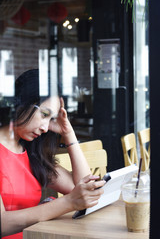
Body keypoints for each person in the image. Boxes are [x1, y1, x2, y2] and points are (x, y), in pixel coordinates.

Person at [0, 69, 105, 239]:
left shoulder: (30, 151)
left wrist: (68, 132)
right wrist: (68, 202)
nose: (46, 127)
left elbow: (80, 187)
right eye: (44, 115)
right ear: (22, 103)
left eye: (51, 120)